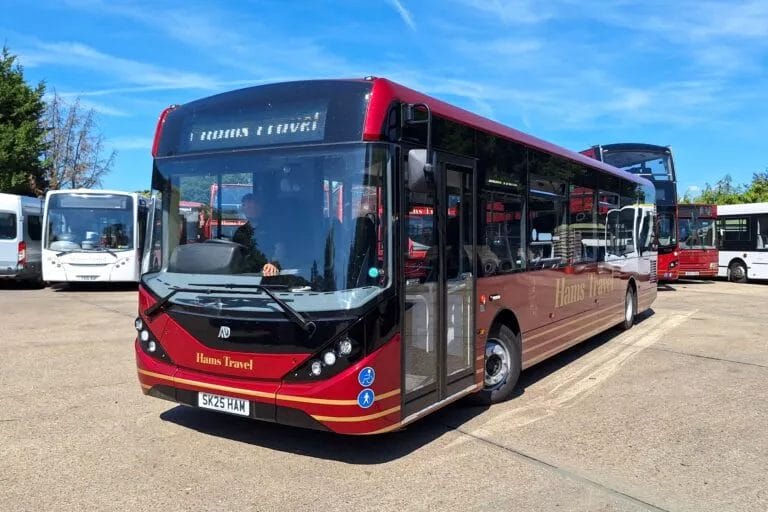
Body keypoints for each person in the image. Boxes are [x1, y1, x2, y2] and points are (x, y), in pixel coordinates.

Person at [232, 193, 281, 276]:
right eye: (247, 206)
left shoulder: (273, 228)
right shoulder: (240, 231)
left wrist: (274, 263)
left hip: (268, 273)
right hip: (244, 274)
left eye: (254, 206)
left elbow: (281, 247)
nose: (251, 209)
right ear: (243, 209)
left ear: (261, 208)